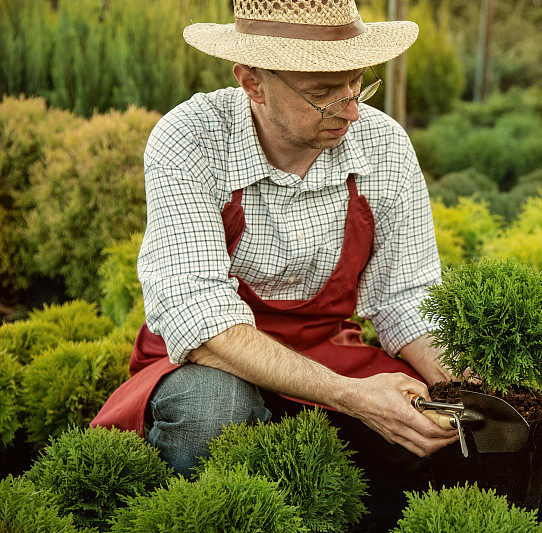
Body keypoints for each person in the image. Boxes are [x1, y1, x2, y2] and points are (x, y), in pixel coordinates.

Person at [91, 0, 472, 528]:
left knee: (436, 425)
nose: (352, 110)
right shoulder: (191, 138)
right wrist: (354, 397)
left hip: (329, 350)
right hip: (209, 360)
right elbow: (199, 321)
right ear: (252, 82)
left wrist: (456, 380)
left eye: (357, 84)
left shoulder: (383, 145)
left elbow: (404, 295)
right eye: (322, 95)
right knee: (213, 409)